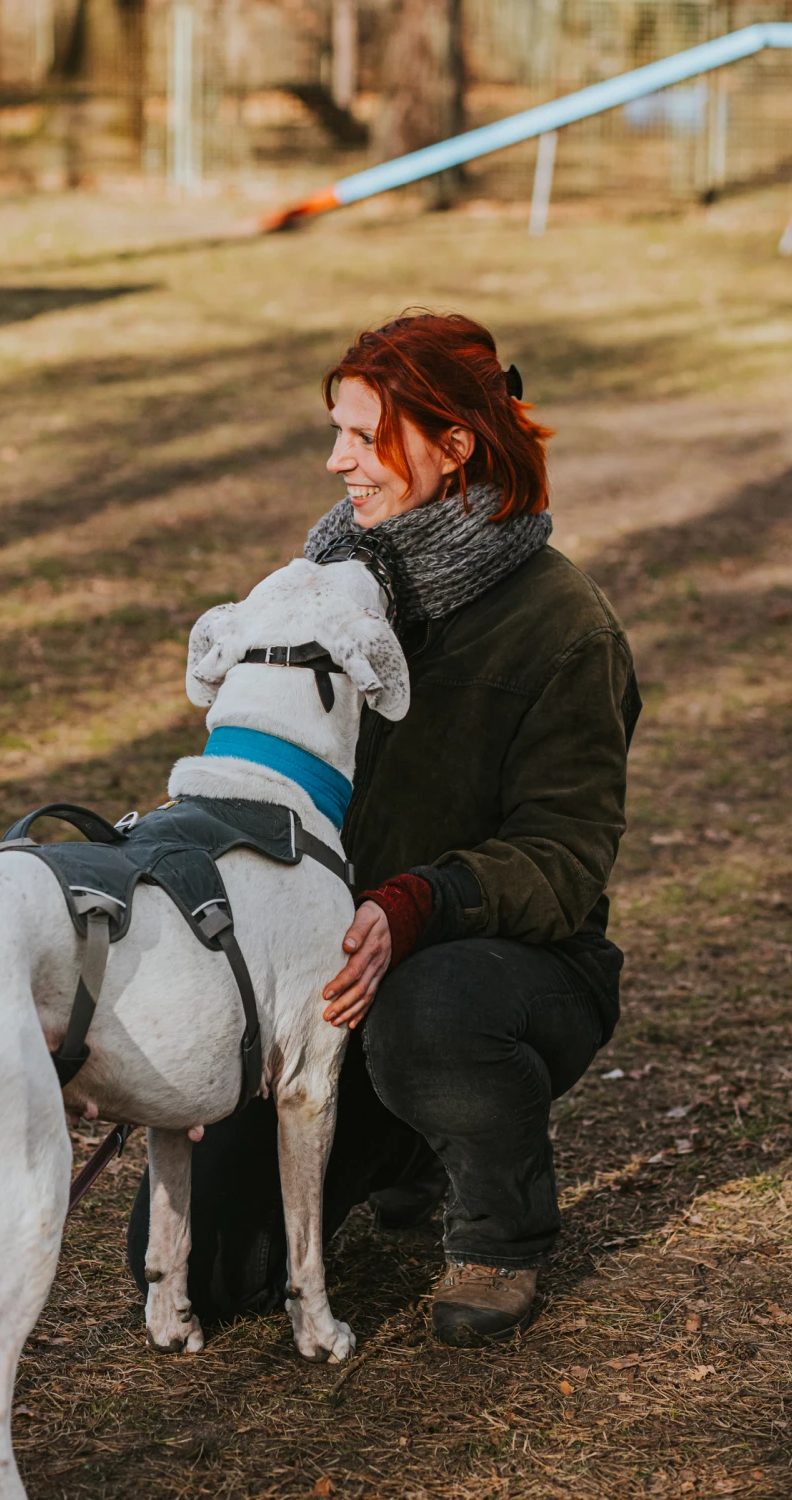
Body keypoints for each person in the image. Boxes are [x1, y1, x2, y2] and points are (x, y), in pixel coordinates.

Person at [127, 311, 640, 1347]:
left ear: (455, 445)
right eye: (338, 432)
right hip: (317, 969)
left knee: (427, 1014)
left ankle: (499, 1233)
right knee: (213, 1270)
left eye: (365, 438)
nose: (336, 462)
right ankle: (400, 1146)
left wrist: (414, 905)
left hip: (497, 963)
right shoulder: (312, 586)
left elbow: (565, 858)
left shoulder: (565, 627)